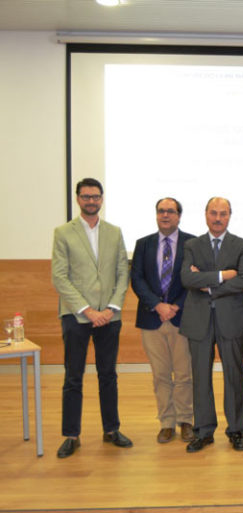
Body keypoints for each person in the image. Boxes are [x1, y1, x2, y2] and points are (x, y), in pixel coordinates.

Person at [52, 177, 132, 458]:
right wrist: (88, 311)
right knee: (73, 377)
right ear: (78, 199)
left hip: (109, 316)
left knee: (108, 374)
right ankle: (71, 435)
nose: (91, 201)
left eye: (96, 196)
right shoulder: (63, 233)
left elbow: (122, 273)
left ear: (102, 199)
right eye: (86, 196)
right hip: (76, 316)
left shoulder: (114, 232)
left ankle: (111, 429)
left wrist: (110, 309)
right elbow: (60, 277)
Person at [179, 197, 243, 452]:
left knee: (234, 376)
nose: (218, 218)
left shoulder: (242, 245)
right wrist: (223, 275)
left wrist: (207, 284)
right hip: (199, 320)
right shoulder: (192, 245)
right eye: (214, 213)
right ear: (206, 215)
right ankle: (203, 431)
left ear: (229, 216)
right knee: (201, 377)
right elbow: (187, 278)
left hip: (232, 320)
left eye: (223, 213)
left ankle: (236, 430)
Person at [130, 197, 195, 444]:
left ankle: (186, 420)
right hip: (152, 317)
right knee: (160, 375)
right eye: (161, 211)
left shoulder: (192, 243)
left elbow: (194, 279)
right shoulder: (143, 244)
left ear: (179, 216)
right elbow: (137, 279)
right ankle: (166, 422)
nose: (165, 215)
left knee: (184, 374)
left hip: (182, 317)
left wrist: (176, 305)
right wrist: (157, 305)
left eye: (170, 211)